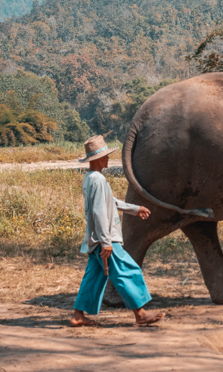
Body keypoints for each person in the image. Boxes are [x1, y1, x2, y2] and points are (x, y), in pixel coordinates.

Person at [70, 135, 163, 327]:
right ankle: (140, 313)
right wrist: (106, 241)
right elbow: (98, 211)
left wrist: (135, 209)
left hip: (96, 239)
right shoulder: (97, 179)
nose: (107, 159)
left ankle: (78, 315)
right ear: (96, 159)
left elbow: (110, 203)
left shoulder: (91, 178)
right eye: (105, 156)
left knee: (93, 277)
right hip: (105, 239)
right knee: (127, 271)